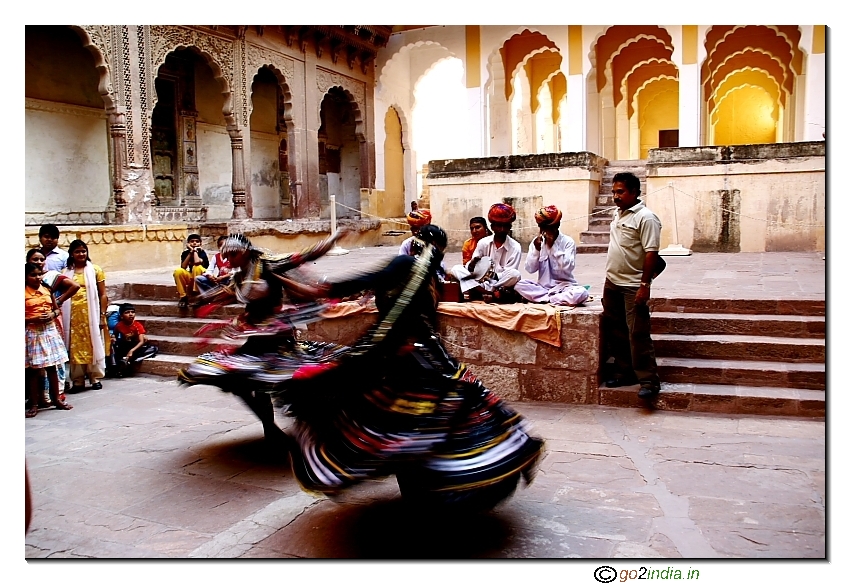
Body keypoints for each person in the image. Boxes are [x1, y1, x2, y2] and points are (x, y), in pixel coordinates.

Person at [180, 231, 347, 443]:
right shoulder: (240, 276)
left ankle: (308, 421)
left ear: (245, 252)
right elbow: (223, 293)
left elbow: (305, 255)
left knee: (281, 383)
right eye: (226, 256)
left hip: (277, 336)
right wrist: (199, 299)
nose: (228, 260)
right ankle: (270, 426)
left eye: (232, 255)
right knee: (240, 382)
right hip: (257, 338)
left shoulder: (267, 265)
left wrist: (333, 239)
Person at [602, 172, 663, 400]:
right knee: (616, 331)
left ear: (635, 192)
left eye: (621, 192)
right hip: (612, 283)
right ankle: (625, 372)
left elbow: (651, 253)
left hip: (632, 285)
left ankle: (648, 381)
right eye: (614, 192)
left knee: (637, 333)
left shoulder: (646, 218)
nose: (616, 196)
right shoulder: (617, 214)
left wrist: (644, 285)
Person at [27, 249, 80, 402]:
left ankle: (56, 397)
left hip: (49, 328)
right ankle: (36, 400)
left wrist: (54, 311)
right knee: (35, 368)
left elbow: (58, 306)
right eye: (35, 259)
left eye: (41, 260)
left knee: (53, 364)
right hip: (31, 330)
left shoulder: (47, 285)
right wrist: (33, 318)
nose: (39, 263)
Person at [515, 205, 590, 306]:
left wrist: (553, 246)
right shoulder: (537, 242)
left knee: (581, 293)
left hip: (565, 287)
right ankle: (551, 299)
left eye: (549, 227)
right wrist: (536, 250)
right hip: (543, 288)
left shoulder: (568, 242)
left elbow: (566, 268)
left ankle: (546, 299)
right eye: (543, 227)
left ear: (557, 225)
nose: (546, 230)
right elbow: (530, 269)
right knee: (519, 285)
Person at [61, 239, 108, 392]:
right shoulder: (66, 272)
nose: (81, 254)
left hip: (91, 315)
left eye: (83, 251)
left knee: (93, 344)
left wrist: (102, 315)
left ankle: (95, 377)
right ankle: (78, 380)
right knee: (75, 348)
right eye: (77, 251)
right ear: (71, 254)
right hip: (73, 317)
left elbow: (103, 295)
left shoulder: (95, 270)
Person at [450, 203, 522, 301]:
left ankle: (476, 291)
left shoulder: (515, 247)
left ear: (510, 227)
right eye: (498, 226)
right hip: (480, 280)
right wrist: (472, 264)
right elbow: (472, 269)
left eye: (505, 226)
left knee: (515, 274)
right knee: (456, 269)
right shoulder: (483, 243)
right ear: (492, 227)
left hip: (498, 282)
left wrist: (492, 276)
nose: (502, 229)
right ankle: (489, 293)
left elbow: (510, 272)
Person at [111, 303, 158, 377]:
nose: (130, 314)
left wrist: (132, 351)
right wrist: (113, 338)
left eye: (132, 312)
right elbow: (115, 335)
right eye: (127, 312)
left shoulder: (137, 325)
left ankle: (127, 362)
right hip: (125, 345)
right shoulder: (119, 325)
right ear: (121, 316)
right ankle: (118, 366)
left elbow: (141, 341)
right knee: (116, 348)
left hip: (136, 346)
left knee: (153, 349)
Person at [174, 234, 209, 308]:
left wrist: (195, 251)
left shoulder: (202, 253)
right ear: (188, 243)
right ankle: (183, 297)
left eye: (197, 241)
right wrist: (190, 252)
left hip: (202, 278)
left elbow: (197, 262)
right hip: (192, 277)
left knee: (197, 267)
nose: (194, 243)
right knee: (178, 271)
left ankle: (197, 294)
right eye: (192, 241)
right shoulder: (185, 253)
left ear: (200, 244)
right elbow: (183, 266)